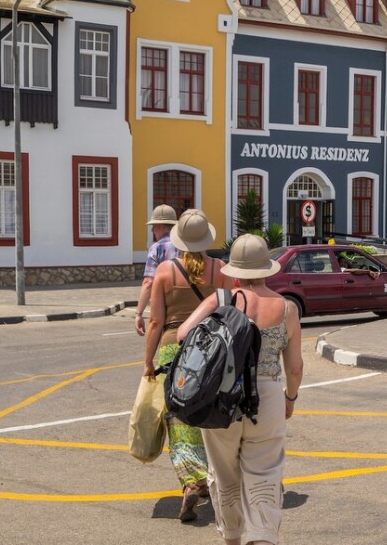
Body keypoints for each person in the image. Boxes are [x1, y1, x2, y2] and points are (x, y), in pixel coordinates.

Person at [178, 233, 303, 545]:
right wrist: (290, 397)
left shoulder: (220, 300)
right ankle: (261, 538)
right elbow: (295, 367)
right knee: (265, 472)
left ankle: (232, 537)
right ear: (266, 268)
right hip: (269, 396)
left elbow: (183, 335)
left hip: (222, 395)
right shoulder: (287, 308)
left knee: (224, 473)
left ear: (235, 270)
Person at [144, 209, 224, 521]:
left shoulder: (164, 272)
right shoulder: (222, 270)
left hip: (172, 351)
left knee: (178, 421)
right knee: (208, 416)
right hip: (210, 351)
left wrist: (148, 362)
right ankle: (210, 479)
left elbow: (155, 322)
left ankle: (192, 481)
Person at [135, 204, 181, 337]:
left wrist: (139, 314)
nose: (152, 231)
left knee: (168, 344)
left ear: (161, 226)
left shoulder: (157, 248)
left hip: (167, 307)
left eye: (153, 226)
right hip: (189, 305)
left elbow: (149, 282)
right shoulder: (187, 245)